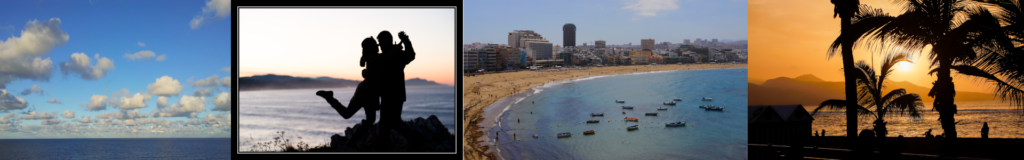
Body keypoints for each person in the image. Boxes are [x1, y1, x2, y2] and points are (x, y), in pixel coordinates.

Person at [315, 37, 383, 148]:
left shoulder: (370, 57)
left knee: (370, 119)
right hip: (366, 92)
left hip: (370, 92)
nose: (378, 45)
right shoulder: (374, 58)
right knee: (347, 114)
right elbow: (378, 68)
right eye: (375, 43)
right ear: (369, 47)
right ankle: (329, 98)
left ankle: (352, 140)